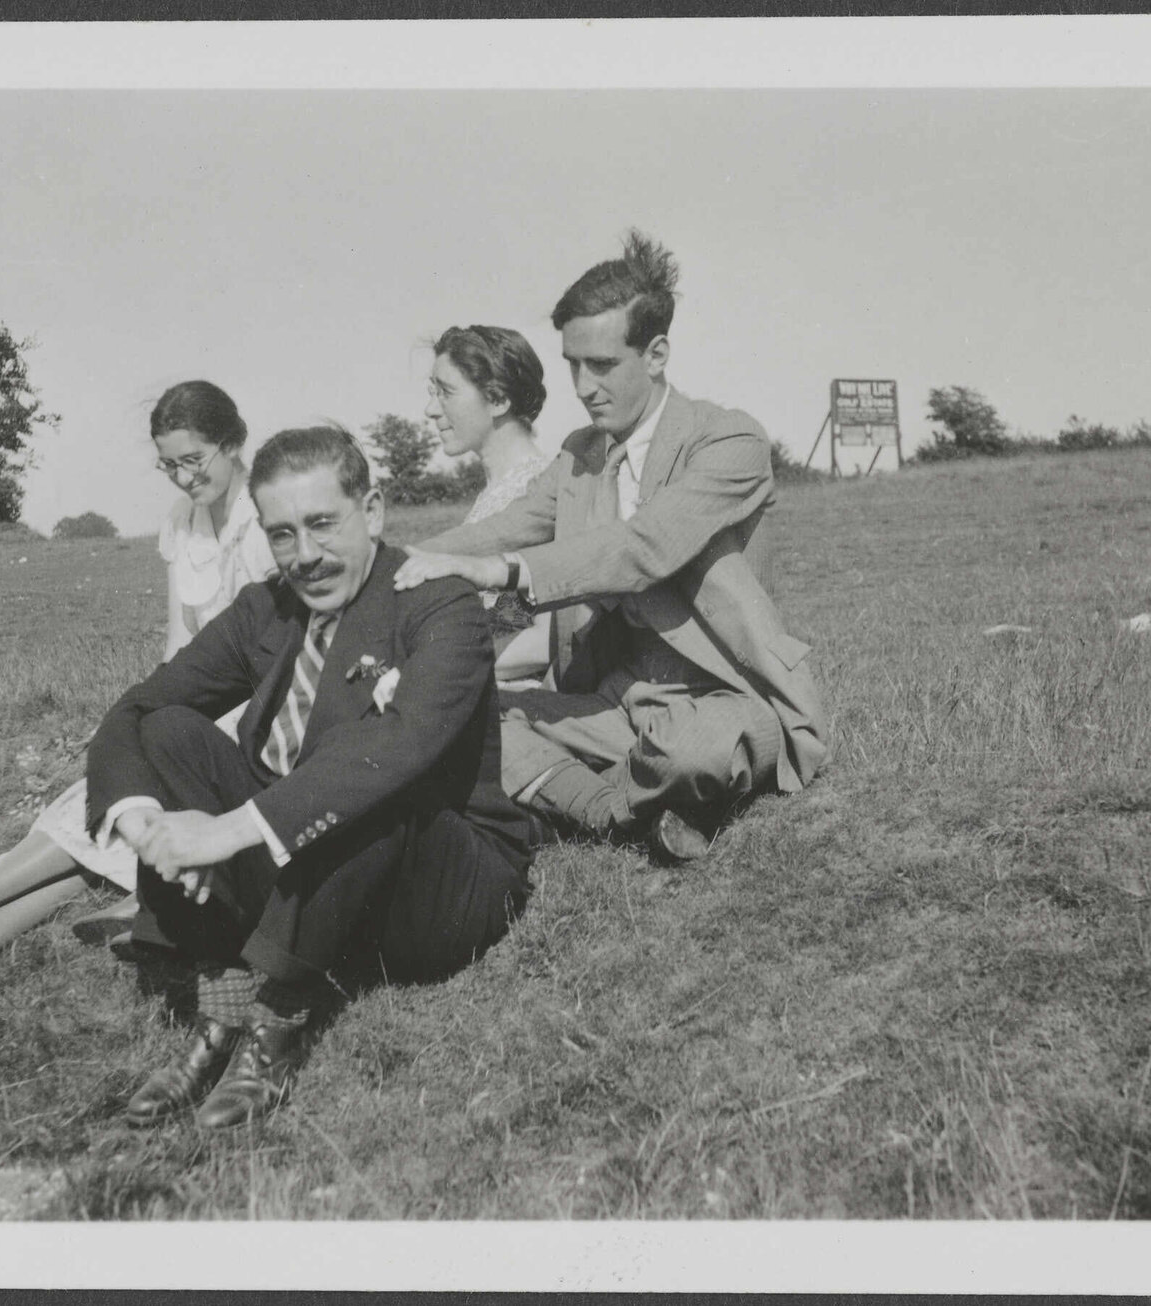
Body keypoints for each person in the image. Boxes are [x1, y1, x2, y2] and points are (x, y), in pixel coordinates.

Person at [87, 425, 532, 1130]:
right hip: (314, 871)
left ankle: (278, 1017)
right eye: (283, 533)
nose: (305, 556)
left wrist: (226, 833)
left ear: (375, 511)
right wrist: (151, 826)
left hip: (437, 881)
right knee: (170, 732)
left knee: (364, 764)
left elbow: (405, 742)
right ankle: (224, 1003)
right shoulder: (265, 608)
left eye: (323, 524)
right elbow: (140, 706)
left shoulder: (436, 602)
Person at [394, 231, 829, 863]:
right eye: (572, 363)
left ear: (656, 354)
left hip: (721, 691)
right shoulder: (578, 455)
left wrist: (499, 572)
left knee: (693, 751)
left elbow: (643, 548)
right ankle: (623, 816)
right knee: (482, 722)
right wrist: (386, 565)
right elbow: (504, 526)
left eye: (602, 365)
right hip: (615, 695)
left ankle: (595, 799)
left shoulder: (728, 442)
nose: (583, 385)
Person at [0, 381, 278, 984]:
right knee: (101, 809)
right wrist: (135, 717)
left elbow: (276, 658)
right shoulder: (183, 522)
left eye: (193, 461)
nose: (181, 478)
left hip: (251, 721)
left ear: (232, 443)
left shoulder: (267, 522)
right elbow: (178, 645)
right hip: (195, 703)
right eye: (168, 465)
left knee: (119, 809)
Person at [422, 324, 555, 686]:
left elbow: (547, 637)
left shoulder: (544, 490)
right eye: (431, 392)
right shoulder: (493, 494)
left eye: (445, 392)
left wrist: (430, 671)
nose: (430, 409)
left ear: (497, 400)